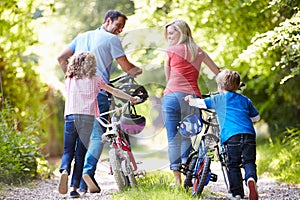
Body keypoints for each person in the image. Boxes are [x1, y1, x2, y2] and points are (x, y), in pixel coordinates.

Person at [57, 10, 142, 194]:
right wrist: (137, 71)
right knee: (95, 137)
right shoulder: (111, 40)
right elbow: (127, 67)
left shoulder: (81, 36)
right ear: (108, 21)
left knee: (73, 146)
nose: (119, 30)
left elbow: (61, 58)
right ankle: (87, 173)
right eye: (118, 25)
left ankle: (74, 180)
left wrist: (69, 75)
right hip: (99, 93)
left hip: (75, 105)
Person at [185, 69, 260, 200]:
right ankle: (251, 179)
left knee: (233, 164)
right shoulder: (245, 100)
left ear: (220, 86)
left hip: (231, 137)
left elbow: (200, 103)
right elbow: (256, 117)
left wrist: (190, 99)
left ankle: (237, 194)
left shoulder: (218, 99)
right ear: (237, 86)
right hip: (249, 135)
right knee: (249, 162)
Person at [162, 19, 220, 186]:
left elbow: (168, 77)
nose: (169, 36)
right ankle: (189, 171)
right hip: (192, 99)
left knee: (173, 139)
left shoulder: (171, 51)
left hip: (172, 97)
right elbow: (217, 72)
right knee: (187, 135)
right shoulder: (198, 51)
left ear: (182, 32)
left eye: (172, 33)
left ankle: (177, 180)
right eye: (168, 34)